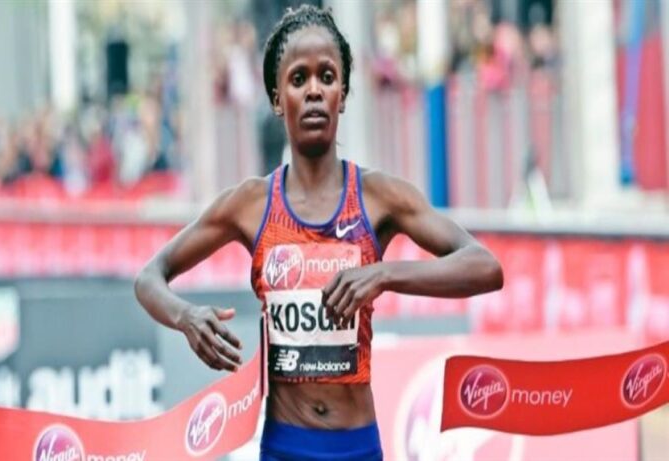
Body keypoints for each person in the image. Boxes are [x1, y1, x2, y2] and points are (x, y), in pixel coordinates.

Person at [134, 5, 503, 460]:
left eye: (327, 77)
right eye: (298, 79)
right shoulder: (251, 204)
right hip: (285, 445)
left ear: (342, 95)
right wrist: (186, 317)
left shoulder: (379, 196)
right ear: (277, 99)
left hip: (357, 446)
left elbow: (485, 266)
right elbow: (149, 277)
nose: (313, 91)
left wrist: (384, 274)